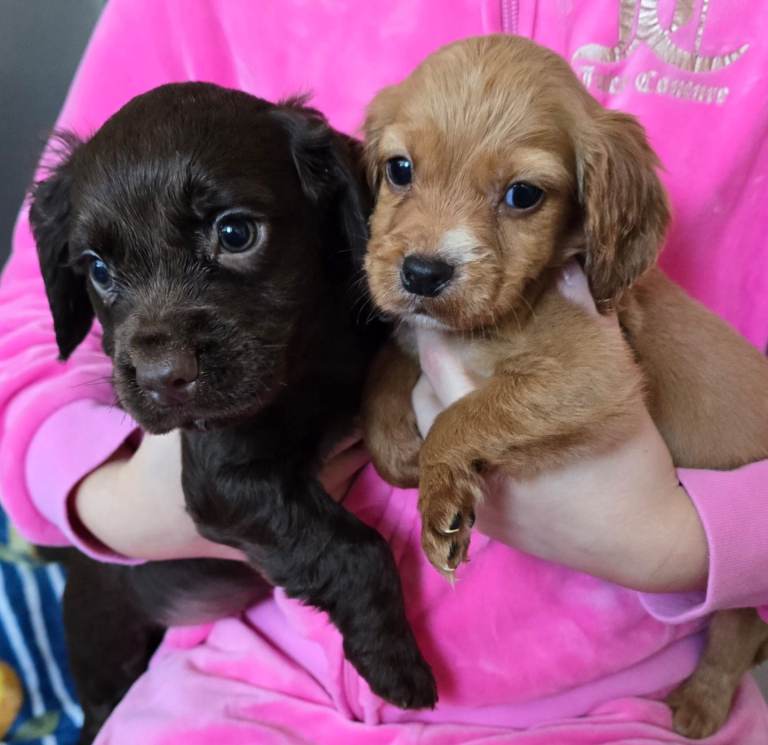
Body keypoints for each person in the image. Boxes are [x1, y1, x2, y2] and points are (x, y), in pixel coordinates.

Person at [1, 1, 767, 742]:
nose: (432, 242)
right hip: (252, 666)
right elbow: (37, 317)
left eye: (523, 193)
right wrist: (111, 497)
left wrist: (678, 544)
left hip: (626, 694)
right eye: (397, 170)